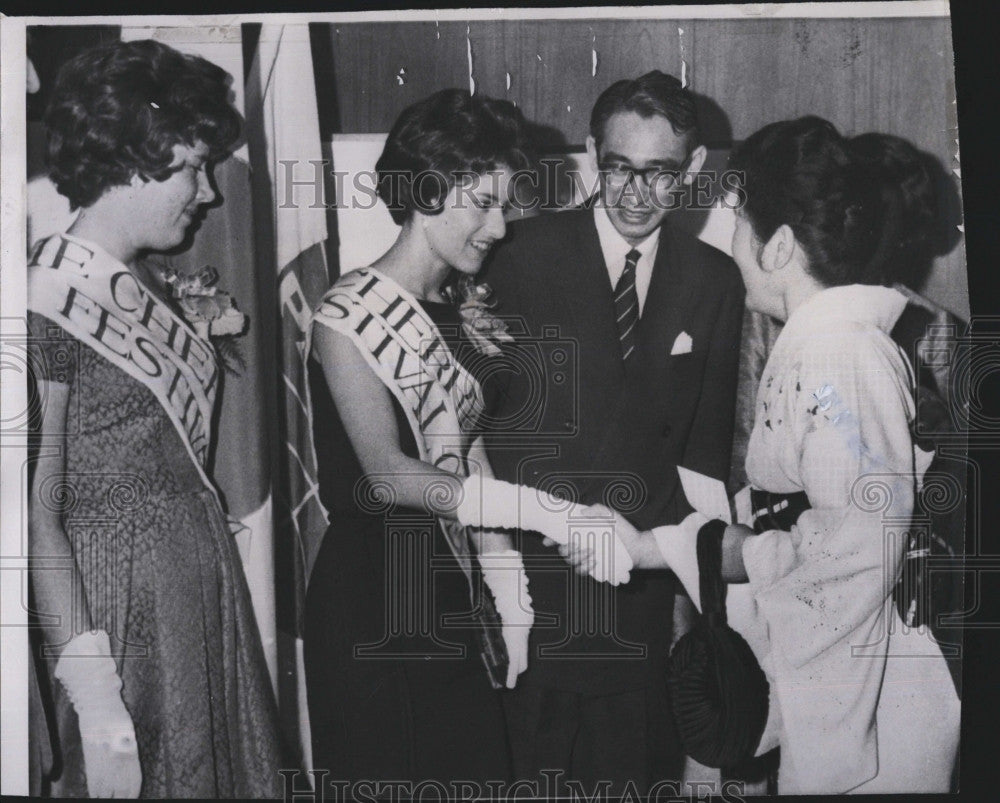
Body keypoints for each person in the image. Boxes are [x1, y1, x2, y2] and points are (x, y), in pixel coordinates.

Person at [564, 116, 962, 793]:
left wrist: (732, 551)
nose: (730, 243)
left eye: (735, 220)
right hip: (842, 675)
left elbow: (855, 550)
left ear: (777, 244)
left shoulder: (839, 356)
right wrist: (653, 547)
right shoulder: (822, 344)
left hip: (869, 698)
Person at [478, 70, 745, 795]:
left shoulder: (715, 280)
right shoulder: (515, 254)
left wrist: (695, 609)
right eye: (620, 167)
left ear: (691, 171)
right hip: (532, 588)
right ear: (592, 154)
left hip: (641, 597)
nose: (635, 193)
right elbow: (478, 432)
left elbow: (705, 459)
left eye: (659, 173)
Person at [27, 40, 282, 798]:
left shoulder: (148, 287)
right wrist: (99, 705)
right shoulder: (44, 302)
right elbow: (35, 515)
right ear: (130, 161)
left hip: (197, 591)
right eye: (191, 167)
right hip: (117, 613)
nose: (207, 192)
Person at [304, 88, 553, 787]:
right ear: (427, 192)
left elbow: (468, 451)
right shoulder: (344, 315)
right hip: (373, 595)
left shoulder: (452, 317)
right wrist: (531, 510)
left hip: (448, 592)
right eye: (483, 203)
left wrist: (508, 586)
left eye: (504, 204)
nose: (500, 226)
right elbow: (386, 471)